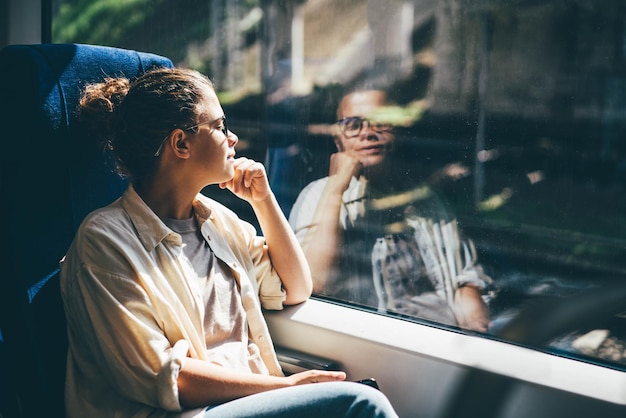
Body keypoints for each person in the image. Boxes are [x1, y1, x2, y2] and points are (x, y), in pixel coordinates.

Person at [59, 68, 398, 418]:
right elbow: (167, 378)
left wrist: (263, 201)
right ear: (181, 144)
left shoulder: (216, 221)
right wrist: (288, 388)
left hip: (243, 405)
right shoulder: (103, 241)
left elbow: (295, 287)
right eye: (220, 127)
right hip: (186, 414)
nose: (233, 137)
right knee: (359, 405)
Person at [289, 89, 492, 332]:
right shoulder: (319, 195)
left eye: (381, 122)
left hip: (439, 339)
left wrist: (472, 322)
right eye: (353, 125)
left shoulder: (424, 199)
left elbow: (463, 276)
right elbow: (314, 282)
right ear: (338, 141)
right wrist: (336, 189)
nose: (368, 133)